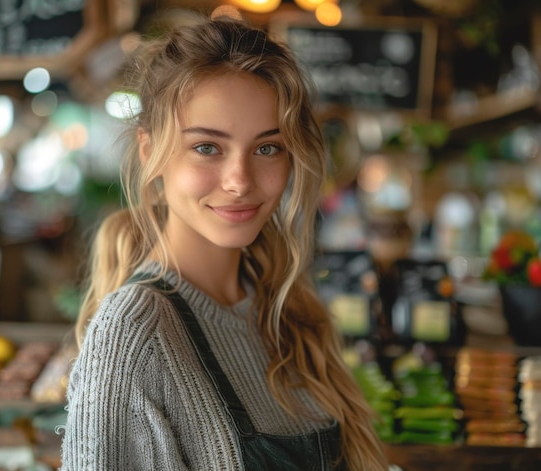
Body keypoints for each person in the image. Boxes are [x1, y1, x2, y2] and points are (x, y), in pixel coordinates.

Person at [61, 15, 388, 471]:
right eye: (207, 147)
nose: (239, 181)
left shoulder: (278, 303)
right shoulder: (135, 334)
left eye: (267, 148)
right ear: (148, 151)